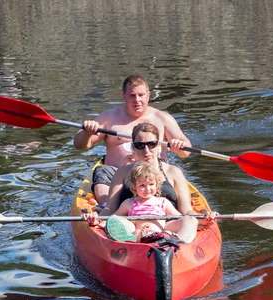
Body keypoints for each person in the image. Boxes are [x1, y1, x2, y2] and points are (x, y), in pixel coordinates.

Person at [84, 122, 217, 244]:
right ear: (133, 147)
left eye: (151, 144)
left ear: (159, 145)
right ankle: (130, 239)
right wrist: (99, 219)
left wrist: (203, 218)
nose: (146, 150)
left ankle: (176, 243)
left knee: (190, 220)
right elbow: (111, 207)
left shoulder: (173, 172)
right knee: (115, 221)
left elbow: (186, 210)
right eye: (140, 145)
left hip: (166, 225)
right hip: (132, 225)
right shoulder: (123, 172)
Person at [74, 75, 192, 205]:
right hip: (116, 173)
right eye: (132, 96)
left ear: (148, 95)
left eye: (141, 95)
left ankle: (172, 206)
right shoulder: (108, 118)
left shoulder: (162, 118)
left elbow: (186, 151)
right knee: (102, 171)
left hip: (154, 173)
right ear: (124, 96)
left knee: (175, 170)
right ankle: (108, 206)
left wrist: (180, 146)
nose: (137, 100)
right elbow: (80, 145)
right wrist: (87, 133)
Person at [100, 160, 183, 242]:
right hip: (137, 231)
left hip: (160, 231)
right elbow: (113, 218)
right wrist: (102, 222)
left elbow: (179, 217)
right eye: (142, 185)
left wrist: (189, 220)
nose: (147, 189)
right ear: (134, 186)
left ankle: (180, 239)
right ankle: (138, 237)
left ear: (157, 185)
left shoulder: (163, 202)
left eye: (151, 184)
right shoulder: (129, 203)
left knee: (189, 220)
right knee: (118, 220)